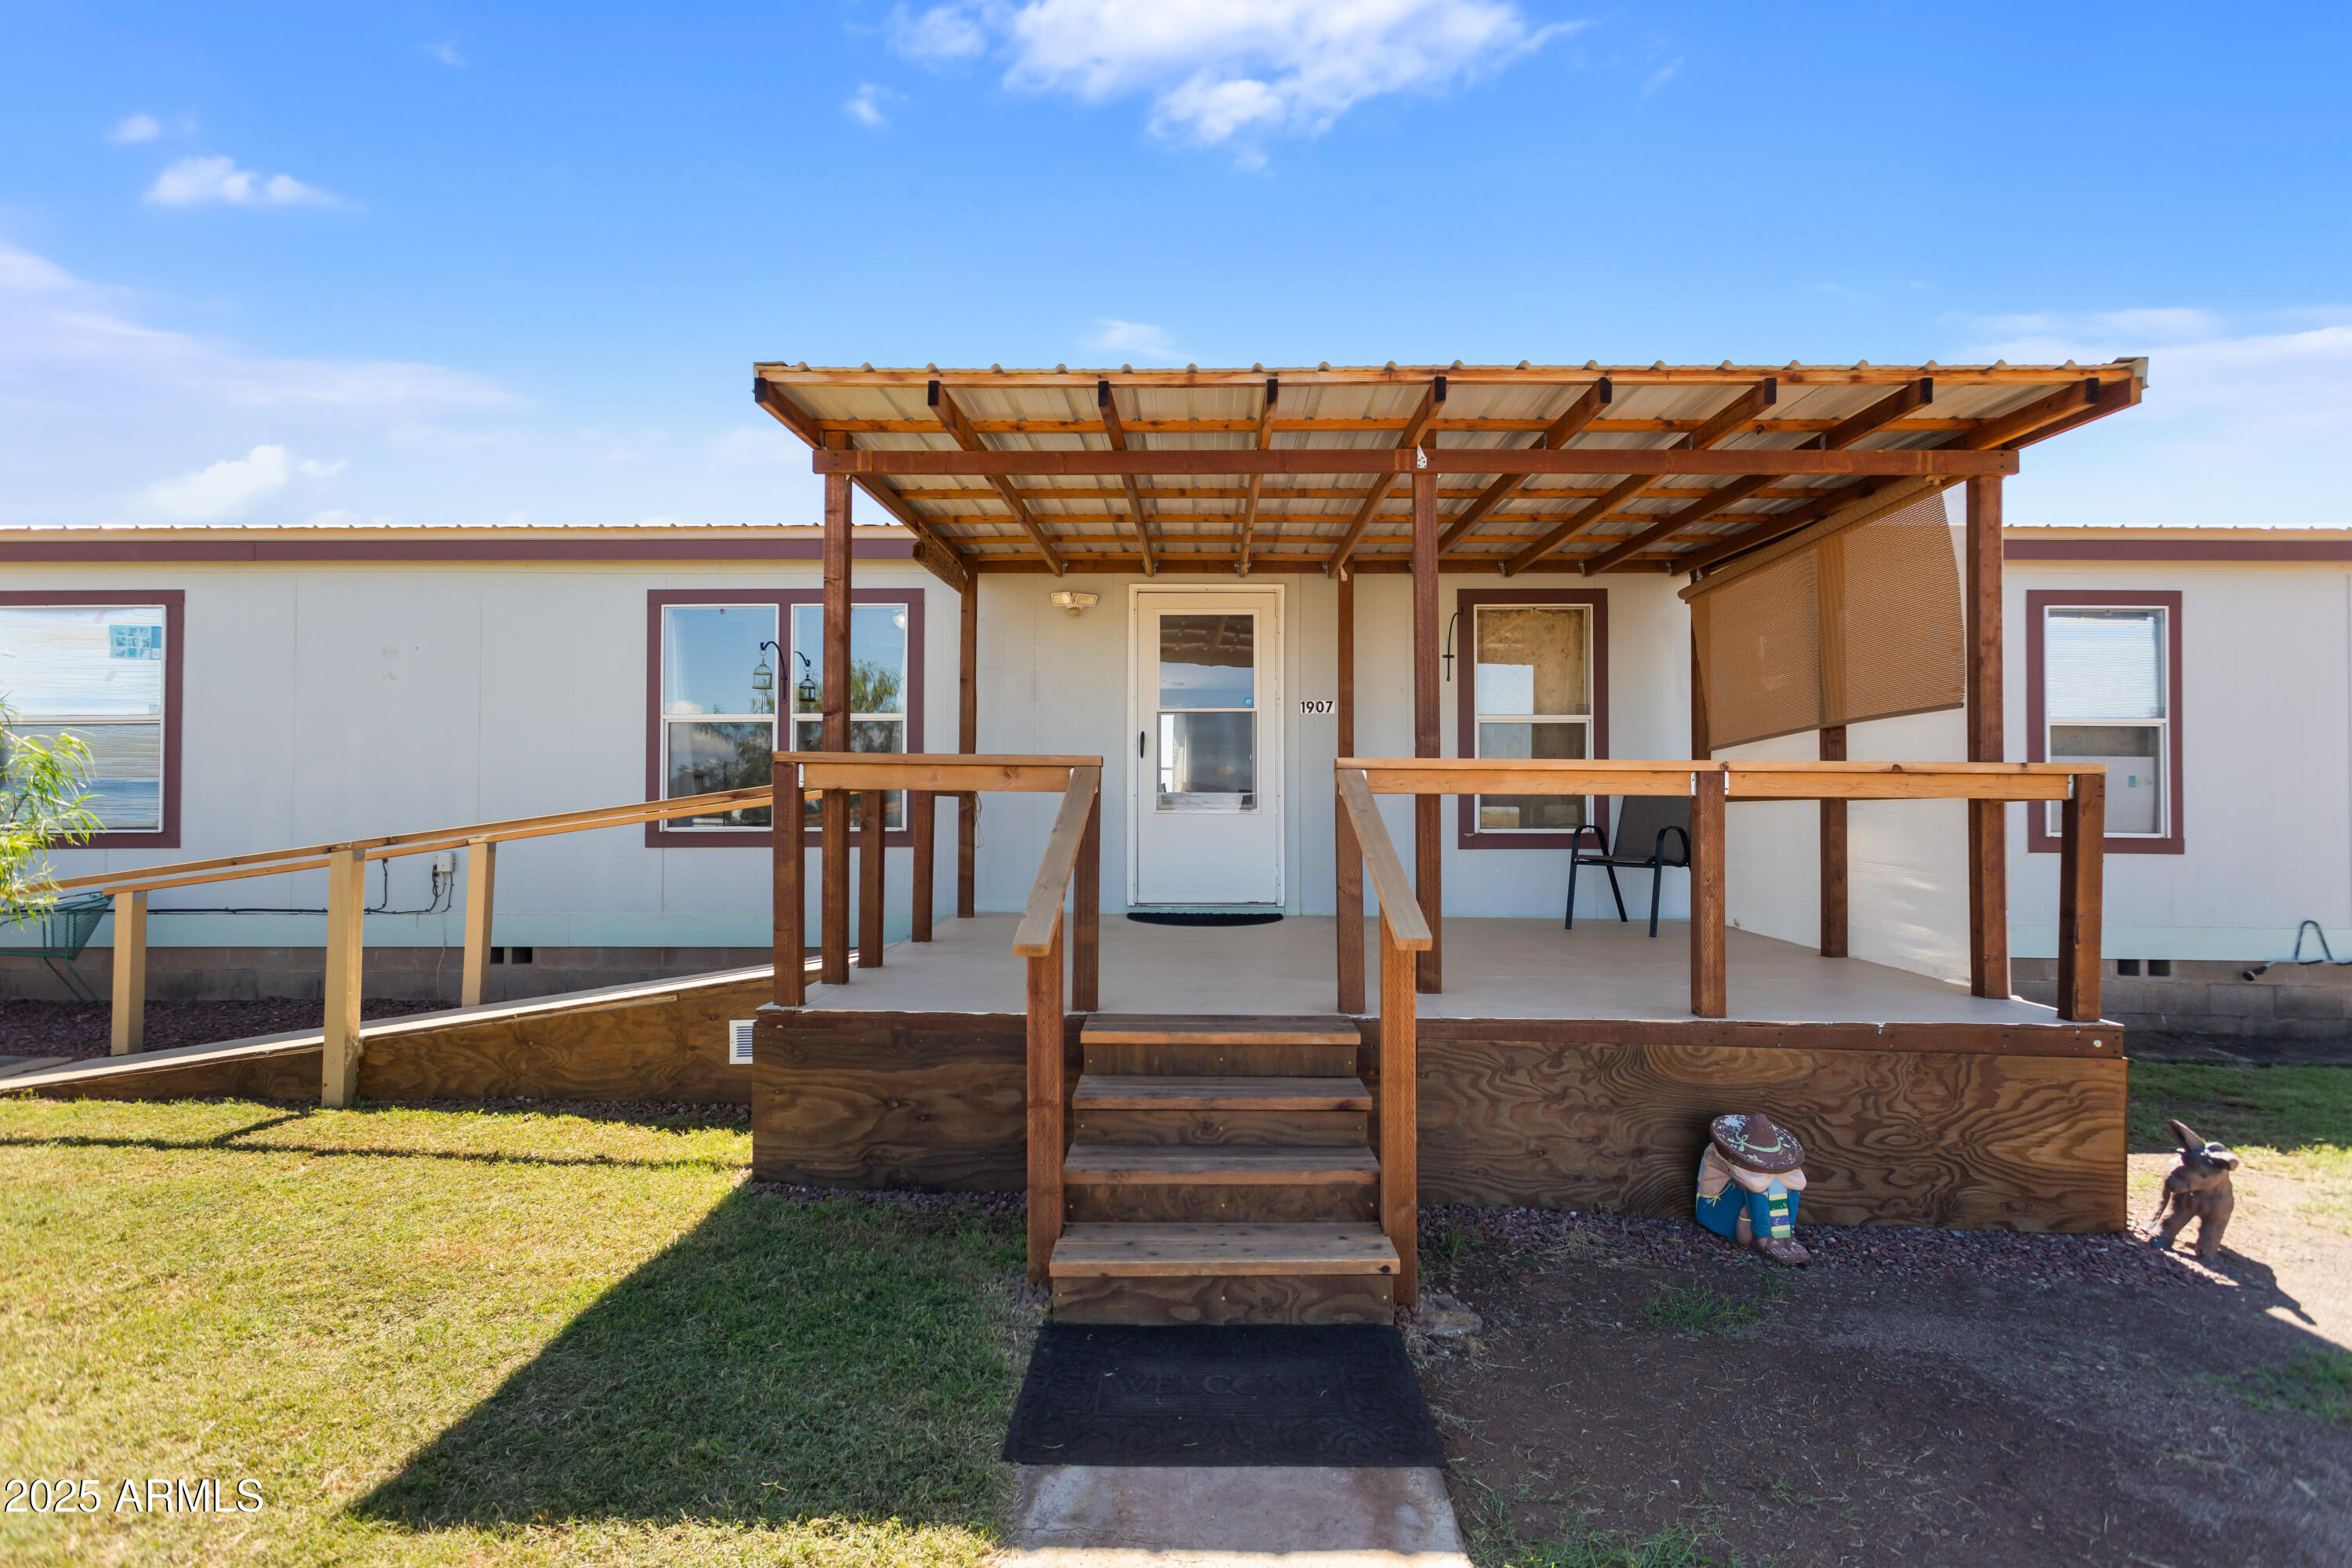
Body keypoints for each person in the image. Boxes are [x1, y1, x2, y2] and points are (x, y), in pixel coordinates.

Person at [1695, 1112, 1809, 1265]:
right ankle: (1762, 1237)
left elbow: (1798, 1182)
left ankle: (1786, 1235)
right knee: (1761, 1189)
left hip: (1735, 1202)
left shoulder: (1750, 1164)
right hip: (1715, 1209)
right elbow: (1754, 1184)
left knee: (1781, 1185)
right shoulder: (1719, 1153)